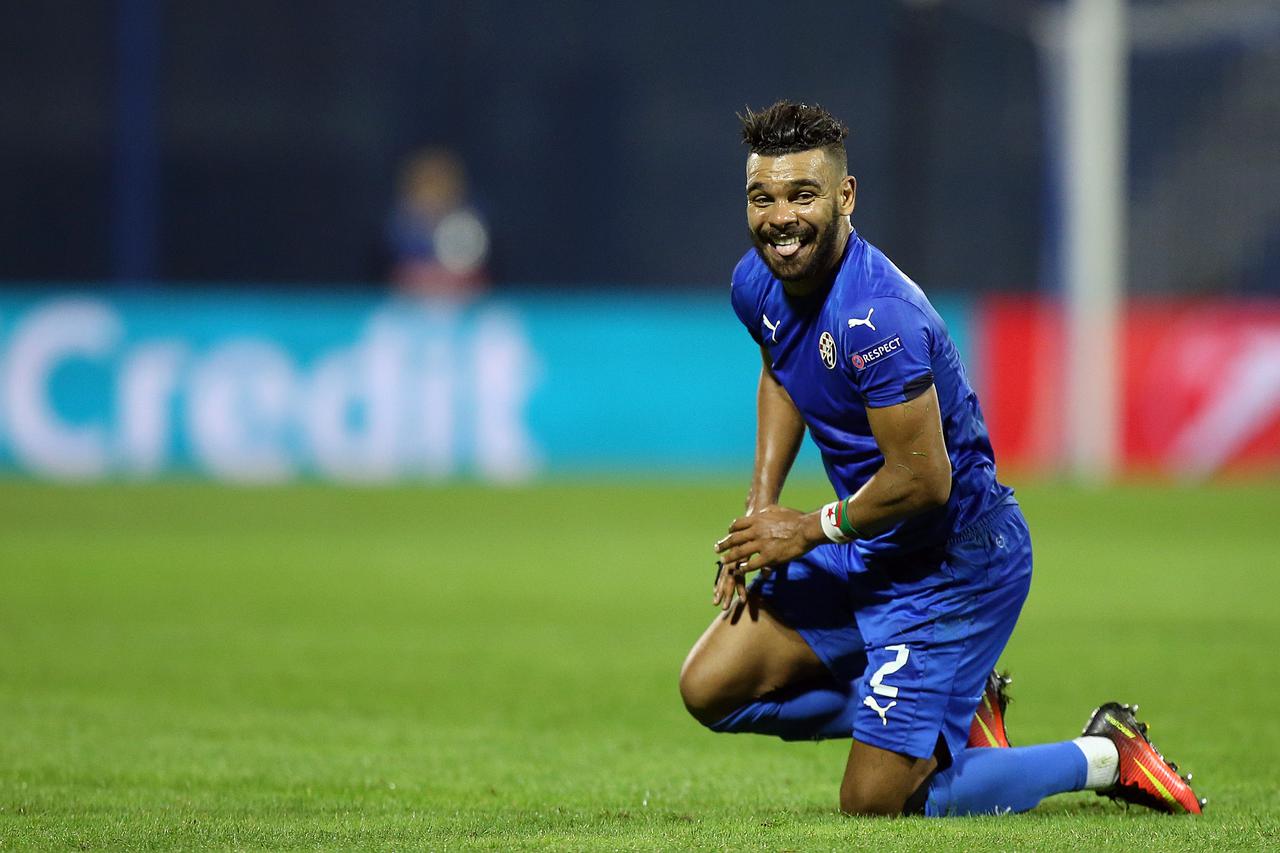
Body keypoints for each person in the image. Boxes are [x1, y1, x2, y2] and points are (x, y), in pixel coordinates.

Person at [678, 101, 1204, 817]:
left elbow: (924, 481)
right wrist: (762, 506)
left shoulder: (878, 317)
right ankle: (947, 709)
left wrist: (804, 530)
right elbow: (781, 367)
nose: (780, 218)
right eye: (762, 197)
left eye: (802, 195)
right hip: (864, 544)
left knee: (875, 802)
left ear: (844, 196)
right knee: (708, 686)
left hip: (951, 562)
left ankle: (1107, 754)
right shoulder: (758, 282)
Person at [384, 147, 491, 299]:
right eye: (426, 185)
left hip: (465, 305)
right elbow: (396, 279)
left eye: (439, 185)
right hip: (409, 306)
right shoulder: (400, 226)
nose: (433, 194)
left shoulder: (468, 224)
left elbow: (477, 279)